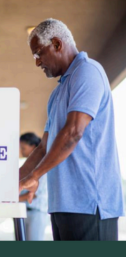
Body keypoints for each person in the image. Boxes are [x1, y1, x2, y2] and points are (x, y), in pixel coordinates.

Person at [19, 18, 124, 241]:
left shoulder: (88, 72)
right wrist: (16, 181)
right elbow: (43, 148)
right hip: (63, 204)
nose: (37, 63)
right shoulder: (57, 93)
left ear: (57, 44)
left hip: (90, 203)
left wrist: (35, 176)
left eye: (39, 53)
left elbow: (73, 132)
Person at [19, 133, 49, 241]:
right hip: (24, 211)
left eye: (23, 148)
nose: (21, 151)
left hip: (36, 212)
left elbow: (34, 194)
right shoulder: (27, 167)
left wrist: (12, 199)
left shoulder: (41, 167)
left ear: (33, 147)